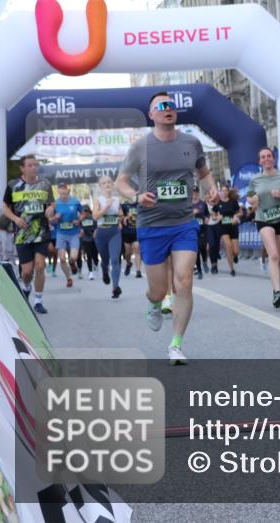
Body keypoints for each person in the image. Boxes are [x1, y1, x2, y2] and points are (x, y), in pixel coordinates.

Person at [116, 91, 218, 365]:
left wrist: (212, 191)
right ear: (152, 115)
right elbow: (121, 182)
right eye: (161, 106)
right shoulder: (140, 147)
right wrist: (136, 196)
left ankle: (176, 344)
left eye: (170, 105)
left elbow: (204, 174)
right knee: (159, 291)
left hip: (183, 223)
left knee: (184, 281)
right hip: (151, 226)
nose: (167, 109)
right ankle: (152, 302)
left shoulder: (191, 142)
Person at [1, 155, 55, 313]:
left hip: (41, 232)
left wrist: (51, 208)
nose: (34, 168)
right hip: (22, 234)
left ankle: (38, 300)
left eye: (36, 165)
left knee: (40, 266)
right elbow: (5, 207)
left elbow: (51, 202)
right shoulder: (13, 185)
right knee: (26, 272)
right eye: (30, 165)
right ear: (22, 168)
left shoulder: (45, 184)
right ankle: (26, 286)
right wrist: (15, 219)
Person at [247, 146, 280, 307]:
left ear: (274, 159)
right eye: (263, 157)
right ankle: (276, 292)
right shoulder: (255, 180)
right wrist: (252, 201)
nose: (266, 159)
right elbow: (249, 197)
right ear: (259, 161)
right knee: (273, 255)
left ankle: (277, 289)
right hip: (264, 219)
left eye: (269, 156)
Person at [91, 174, 124, 299]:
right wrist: (106, 207)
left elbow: (120, 214)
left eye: (109, 182)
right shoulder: (98, 199)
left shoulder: (117, 199)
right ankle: (104, 269)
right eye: (104, 183)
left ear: (112, 184)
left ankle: (115, 287)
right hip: (101, 234)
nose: (107, 185)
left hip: (114, 233)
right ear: (100, 186)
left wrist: (120, 220)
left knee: (115, 260)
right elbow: (95, 217)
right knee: (105, 260)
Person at [51, 182, 82, 289]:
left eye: (65, 193)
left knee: (73, 257)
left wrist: (79, 220)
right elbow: (49, 220)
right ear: (58, 193)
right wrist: (55, 218)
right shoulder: (55, 204)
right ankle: (69, 278)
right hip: (61, 234)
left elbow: (84, 214)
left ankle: (73, 264)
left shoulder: (75, 202)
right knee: (62, 259)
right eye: (61, 194)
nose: (63, 196)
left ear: (68, 191)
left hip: (73, 233)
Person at [211, 186, 242, 276]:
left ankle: (235, 256)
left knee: (235, 251)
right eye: (222, 191)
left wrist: (236, 217)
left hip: (233, 226)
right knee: (228, 246)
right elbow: (213, 216)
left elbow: (240, 212)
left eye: (225, 191)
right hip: (223, 228)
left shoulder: (233, 202)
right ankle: (232, 269)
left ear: (228, 192)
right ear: (220, 192)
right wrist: (217, 217)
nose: (224, 192)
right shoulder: (217, 203)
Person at [120, 196, 142, 278]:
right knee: (128, 252)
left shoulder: (139, 205)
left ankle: (138, 271)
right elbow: (120, 217)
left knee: (137, 249)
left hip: (137, 231)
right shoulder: (123, 206)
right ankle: (128, 263)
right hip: (126, 232)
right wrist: (125, 217)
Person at [191, 187, 209, 280]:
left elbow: (207, 214)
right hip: (193, 230)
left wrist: (206, 218)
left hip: (202, 229)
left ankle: (205, 261)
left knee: (202, 247)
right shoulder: (188, 205)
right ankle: (199, 270)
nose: (194, 194)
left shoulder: (202, 203)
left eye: (196, 193)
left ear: (198, 193)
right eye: (193, 193)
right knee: (196, 250)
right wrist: (192, 213)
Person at [77, 205, 99, 279]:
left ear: (89, 211)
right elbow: (79, 228)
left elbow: (96, 228)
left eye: (86, 211)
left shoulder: (93, 218)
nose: (84, 213)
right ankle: (90, 272)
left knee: (95, 255)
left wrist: (95, 234)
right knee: (88, 255)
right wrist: (81, 231)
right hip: (85, 239)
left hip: (93, 238)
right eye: (83, 212)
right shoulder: (80, 219)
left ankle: (95, 264)